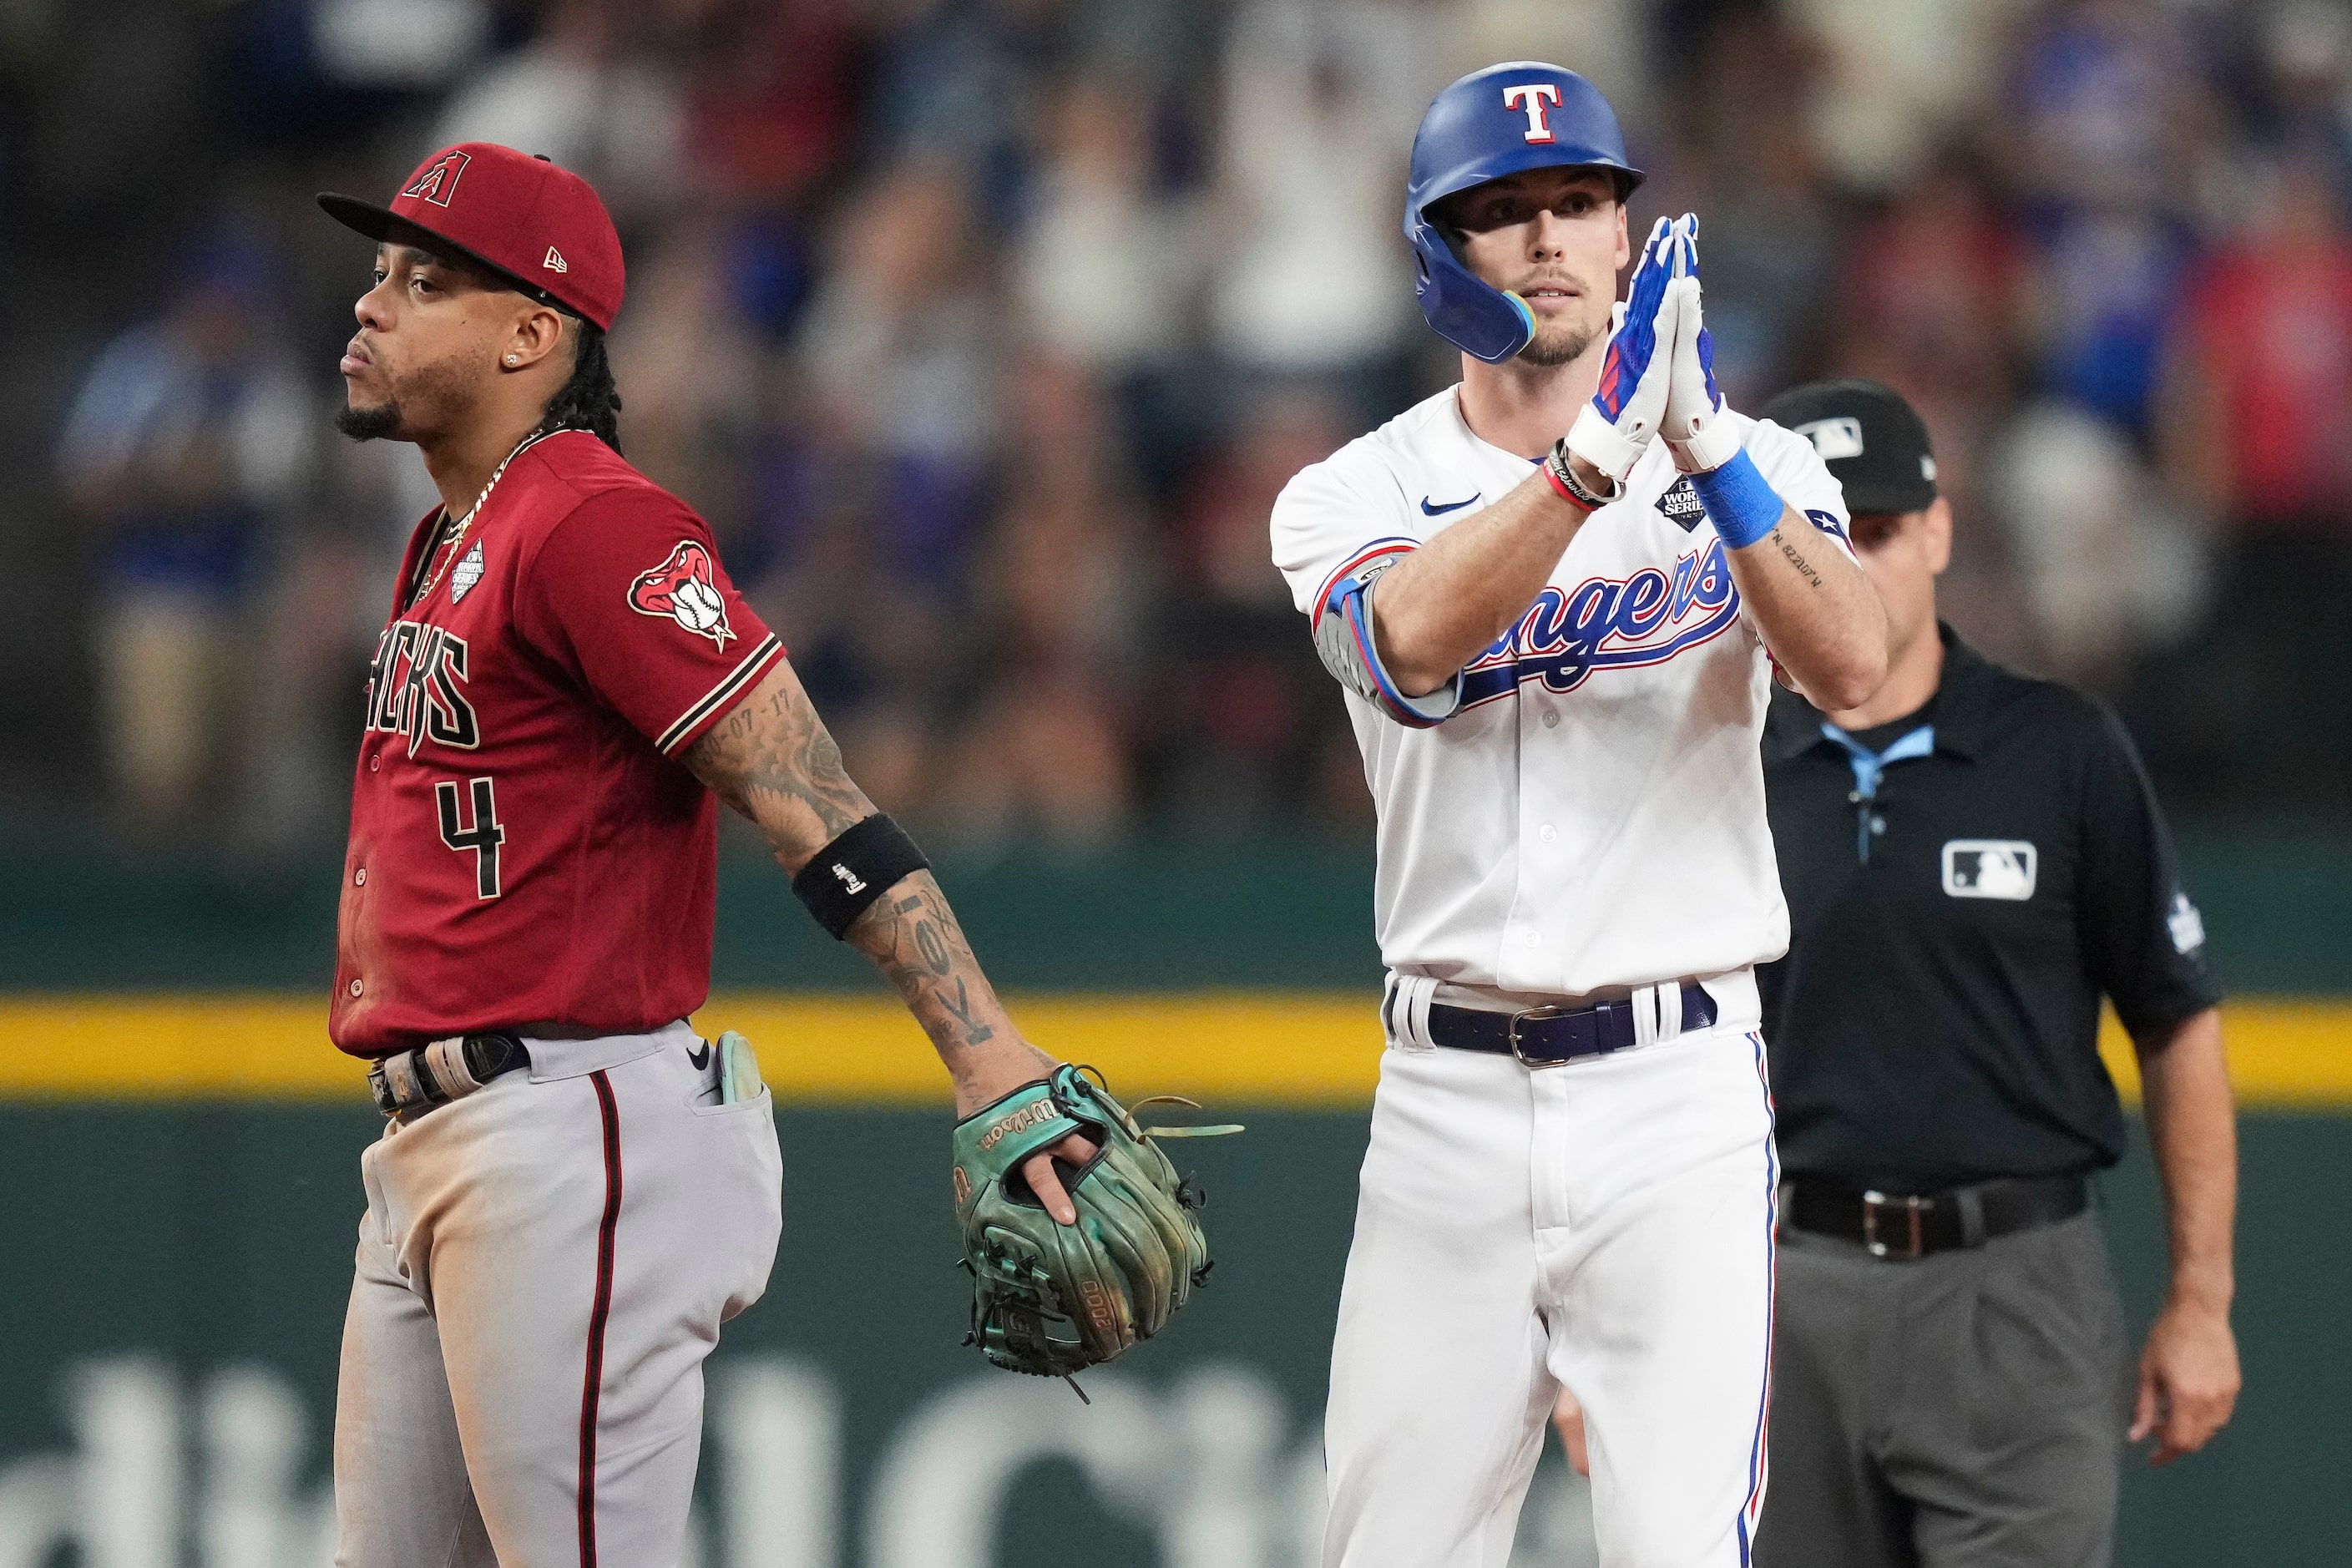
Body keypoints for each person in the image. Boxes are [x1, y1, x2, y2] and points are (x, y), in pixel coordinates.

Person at [317, 143, 1094, 1568]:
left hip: (566, 1133)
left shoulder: (592, 521)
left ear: (530, 333)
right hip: (435, 1137)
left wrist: (986, 1056)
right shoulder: (450, 533)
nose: (370, 304)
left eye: (424, 281)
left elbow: (808, 793)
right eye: (379, 272)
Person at [1269, 64, 1890, 1567]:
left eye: (1577, 203)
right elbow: (1407, 646)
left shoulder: (1756, 467)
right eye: (1501, 212)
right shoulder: (1349, 490)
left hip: (1675, 1097)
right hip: (1447, 1100)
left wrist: (1705, 452)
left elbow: (1857, 663)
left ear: (1628, 237)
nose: (1548, 238)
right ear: (1439, 257)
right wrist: (1585, 464)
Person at [1748, 378, 2240, 1567]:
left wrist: (2200, 1300)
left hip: (2012, 1283)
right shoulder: (1721, 759)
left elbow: (2174, 1020)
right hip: (1772, 1288)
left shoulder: (2058, 747)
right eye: (1808, 537)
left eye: (1868, 532)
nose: (1845, 566)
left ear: (1935, 531)